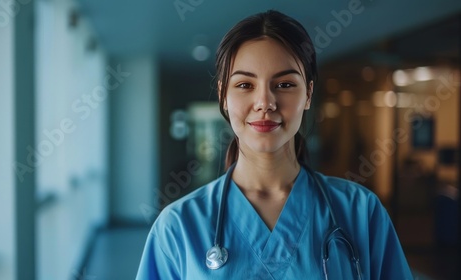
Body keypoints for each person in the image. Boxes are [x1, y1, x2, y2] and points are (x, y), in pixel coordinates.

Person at [136, 10, 413, 279]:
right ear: (223, 96)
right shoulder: (178, 227)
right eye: (245, 85)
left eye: (284, 84)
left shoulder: (361, 212)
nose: (265, 103)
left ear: (308, 94)